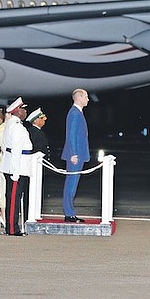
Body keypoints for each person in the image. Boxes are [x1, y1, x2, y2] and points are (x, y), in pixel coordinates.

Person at [0, 97, 32, 236]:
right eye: (24, 109)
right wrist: (16, 171)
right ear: (18, 110)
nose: (25, 112)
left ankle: (12, 226)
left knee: (13, 197)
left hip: (14, 165)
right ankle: (12, 228)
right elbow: (16, 150)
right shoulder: (17, 127)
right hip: (16, 167)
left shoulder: (12, 125)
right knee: (13, 198)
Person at [60, 88, 91, 223]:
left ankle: (70, 212)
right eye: (86, 97)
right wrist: (73, 153)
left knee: (73, 184)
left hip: (78, 154)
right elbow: (71, 135)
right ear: (79, 98)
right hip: (75, 155)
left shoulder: (78, 112)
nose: (88, 99)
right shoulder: (74, 113)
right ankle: (69, 213)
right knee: (71, 184)